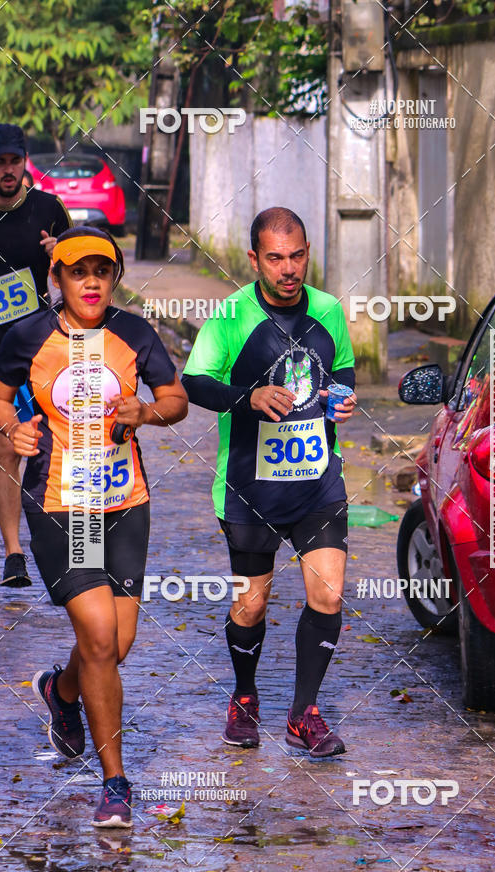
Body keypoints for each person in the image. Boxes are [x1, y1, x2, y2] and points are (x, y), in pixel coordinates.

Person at [0, 226, 188, 827]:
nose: (91, 283)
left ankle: (63, 692)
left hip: (126, 503)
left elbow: (176, 397)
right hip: (64, 507)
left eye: (101, 273)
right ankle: (116, 783)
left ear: (114, 279)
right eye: (78, 272)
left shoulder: (132, 333)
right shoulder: (28, 336)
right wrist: (11, 429)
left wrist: (149, 412)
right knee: (101, 637)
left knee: (117, 645)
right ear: (58, 279)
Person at [182, 207, 357, 759]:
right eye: (276, 258)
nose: (289, 269)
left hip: (316, 481)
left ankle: (304, 712)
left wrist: (343, 399)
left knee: (327, 592)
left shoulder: (328, 310)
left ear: (308, 252)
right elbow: (193, 382)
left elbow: (344, 369)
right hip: (248, 489)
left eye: (298, 255)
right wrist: (248, 398)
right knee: (250, 605)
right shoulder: (231, 315)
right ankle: (244, 696)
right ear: (255, 258)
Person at [0, 124, 71, 586]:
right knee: (6, 445)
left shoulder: (47, 208)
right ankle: (13, 553)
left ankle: (56, 538)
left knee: (38, 444)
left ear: (25, 160)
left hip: (31, 347)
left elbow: (87, 268)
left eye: (13, 160)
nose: (7, 170)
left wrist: (59, 255)